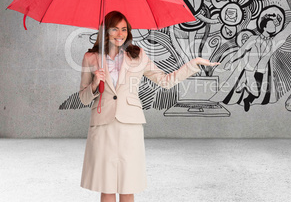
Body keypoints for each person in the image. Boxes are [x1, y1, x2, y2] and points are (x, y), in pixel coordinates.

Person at [78, 11, 219, 202]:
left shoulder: (138, 55)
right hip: (103, 125)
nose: (120, 34)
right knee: (106, 186)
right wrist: (95, 83)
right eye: (115, 29)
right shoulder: (91, 58)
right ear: (106, 31)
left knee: (128, 186)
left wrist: (193, 64)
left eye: (124, 29)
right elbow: (84, 98)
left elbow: (165, 81)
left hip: (130, 125)